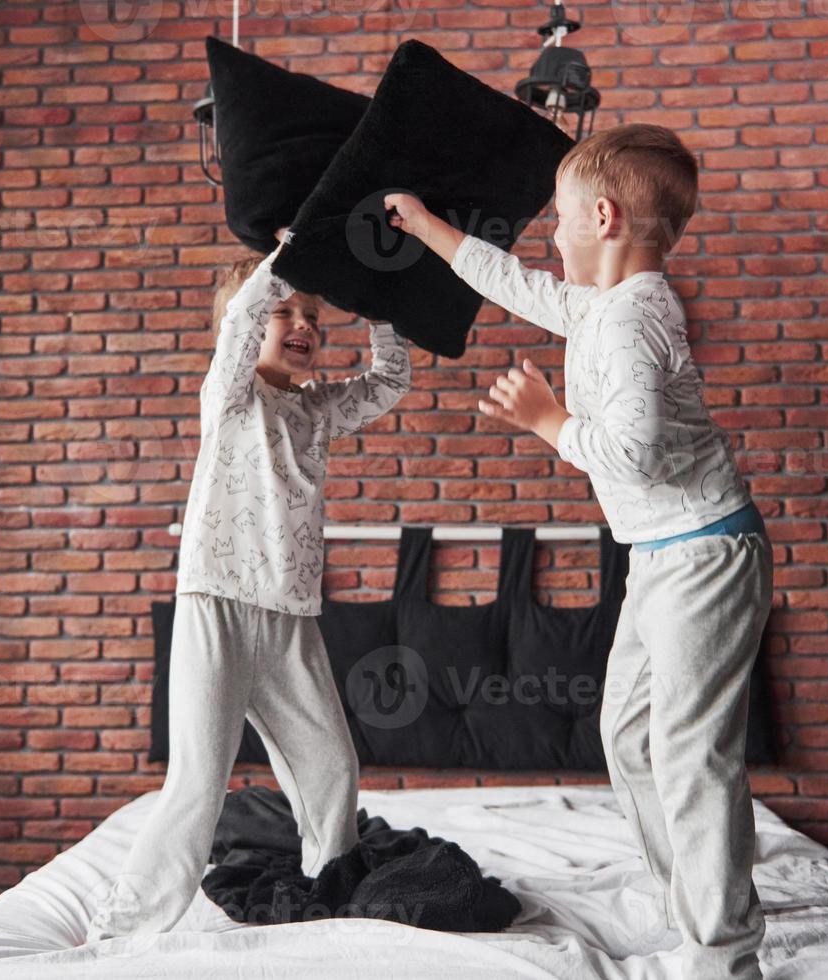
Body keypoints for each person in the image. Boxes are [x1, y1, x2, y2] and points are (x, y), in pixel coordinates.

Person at [385, 123, 772, 978]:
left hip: (702, 555)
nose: (550, 237)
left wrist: (546, 420)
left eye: (558, 221)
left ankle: (725, 955)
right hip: (663, 555)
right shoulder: (600, 304)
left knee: (689, 752)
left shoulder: (636, 319)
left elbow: (633, 452)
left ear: (600, 217)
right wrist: (423, 226)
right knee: (629, 735)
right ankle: (690, 907)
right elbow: (511, 279)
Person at [87, 235, 412, 941]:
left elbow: (390, 381)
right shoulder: (229, 396)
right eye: (285, 313)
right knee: (199, 783)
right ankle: (120, 930)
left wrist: (375, 304)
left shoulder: (318, 408)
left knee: (331, 771)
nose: (303, 327)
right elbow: (240, 322)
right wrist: (287, 259)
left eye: (315, 319)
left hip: (291, 618)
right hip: (220, 606)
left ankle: (329, 894)